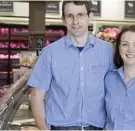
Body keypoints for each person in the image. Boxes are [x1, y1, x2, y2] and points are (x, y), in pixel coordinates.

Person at [27, 1, 114, 130]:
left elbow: (116, 92)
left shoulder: (108, 51)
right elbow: (36, 96)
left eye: (80, 15)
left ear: (90, 17)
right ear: (63, 19)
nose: (75, 21)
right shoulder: (50, 53)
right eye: (70, 16)